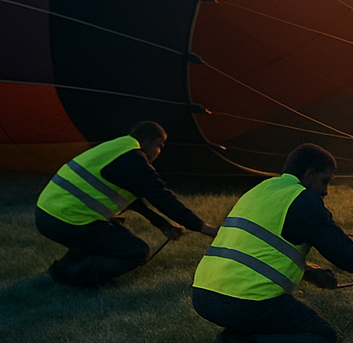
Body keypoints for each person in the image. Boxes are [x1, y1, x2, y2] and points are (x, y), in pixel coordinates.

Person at [190, 143, 353, 343]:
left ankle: (238, 336)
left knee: (275, 321)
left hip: (203, 295)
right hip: (245, 300)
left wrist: (309, 272)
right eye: (325, 181)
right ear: (309, 175)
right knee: (324, 337)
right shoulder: (304, 200)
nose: (326, 191)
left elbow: (258, 248)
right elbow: (341, 251)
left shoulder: (261, 189)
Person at [35, 121, 218, 287]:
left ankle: (62, 268)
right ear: (146, 141)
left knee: (108, 238)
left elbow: (134, 200)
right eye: (159, 146)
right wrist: (201, 227)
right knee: (135, 250)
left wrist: (162, 224)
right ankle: (74, 276)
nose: (159, 152)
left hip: (46, 213)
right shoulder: (133, 160)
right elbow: (162, 197)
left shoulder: (117, 148)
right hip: (69, 220)